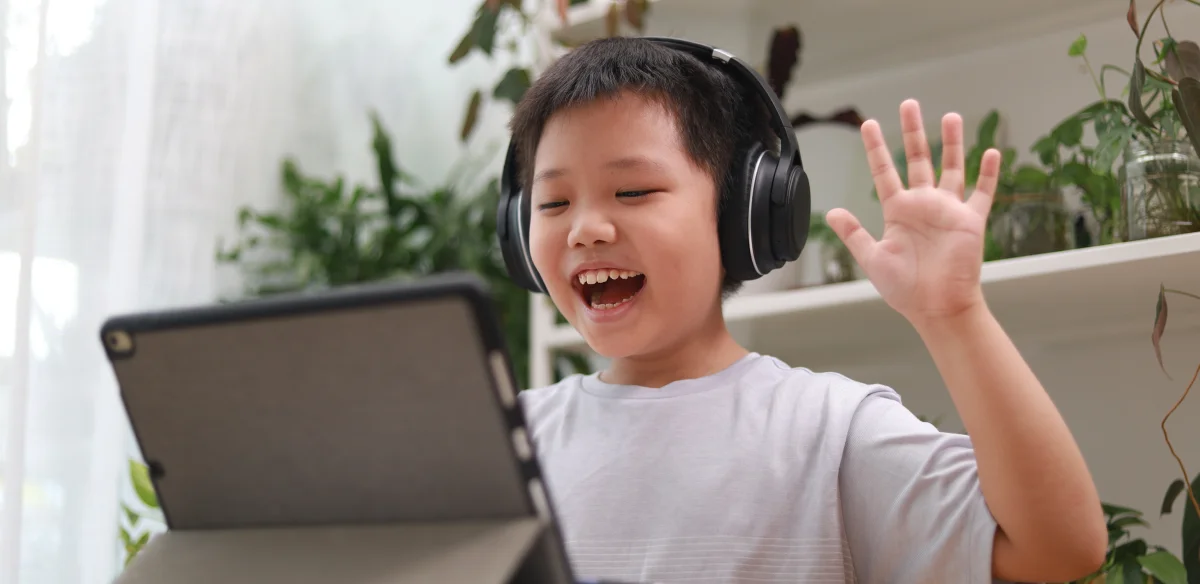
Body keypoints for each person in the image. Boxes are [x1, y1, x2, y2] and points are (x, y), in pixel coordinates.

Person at [506, 36, 1107, 584]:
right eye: (553, 202)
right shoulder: (510, 441)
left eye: (632, 191)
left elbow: (1059, 547)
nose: (585, 229)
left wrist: (954, 315)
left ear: (743, 213)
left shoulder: (829, 431)